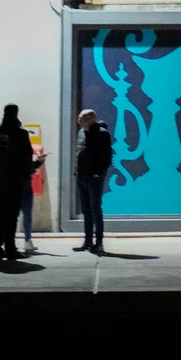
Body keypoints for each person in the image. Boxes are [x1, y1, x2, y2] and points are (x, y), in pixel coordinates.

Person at [0, 104, 34, 263]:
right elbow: (26, 156)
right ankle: (10, 248)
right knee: (12, 214)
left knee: (0, 213)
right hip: (15, 179)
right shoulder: (20, 133)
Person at [74, 108, 113, 254]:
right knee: (86, 210)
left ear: (91, 119)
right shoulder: (81, 133)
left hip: (94, 177)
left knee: (95, 208)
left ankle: (99, 242)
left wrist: (98, 173)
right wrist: (76, 171)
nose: (79, 121)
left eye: (82, 118)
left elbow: (106, 157)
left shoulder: (102, 134)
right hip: (82, 175)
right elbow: (80, 152)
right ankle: (88, 240)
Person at [21, 135, 46, 252]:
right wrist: (38, 162)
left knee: (11, 214)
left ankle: (7, 242)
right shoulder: (26, 150)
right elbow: (30, 167)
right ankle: (27, 240)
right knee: (27, 213)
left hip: (11, 184)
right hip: (25, 184)